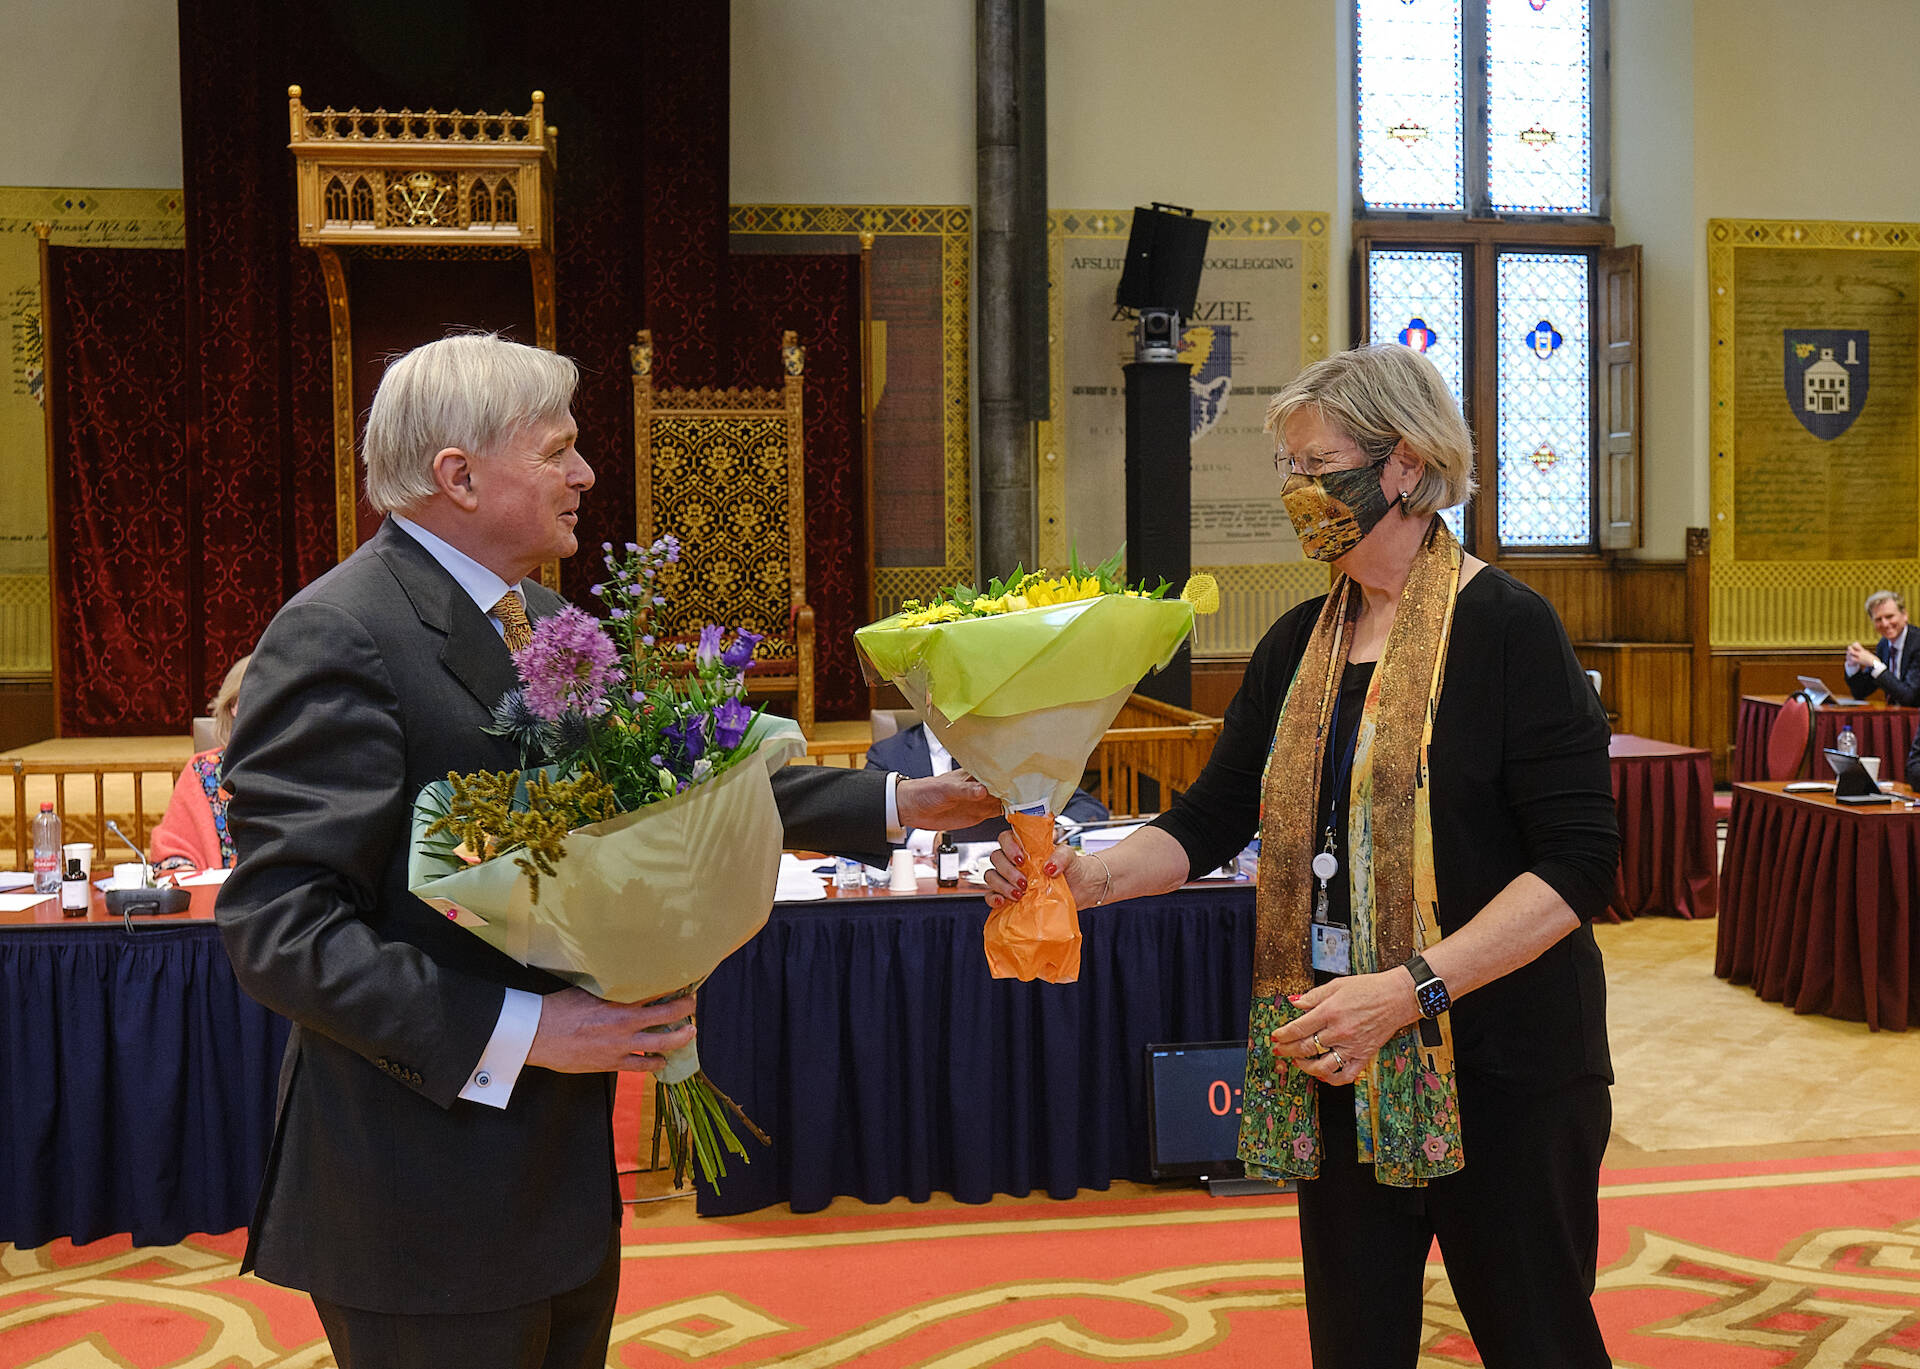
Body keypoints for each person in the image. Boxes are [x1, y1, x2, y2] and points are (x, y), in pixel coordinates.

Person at [216, 333, 994, 1369]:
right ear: (458, 475)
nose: (585, 474)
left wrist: (904, 800)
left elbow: (671, 788)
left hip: (556, 1181)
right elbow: (281, 930)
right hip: (419, 1202)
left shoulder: (539, 616)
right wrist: (528, 1029)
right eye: (559, 449)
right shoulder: (338, 632)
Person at [985, 344, 1618, 1368]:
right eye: (1287, 469)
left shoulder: (1509, 630)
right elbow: (1206, 820)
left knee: (1535, 1336)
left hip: (1504, 1065)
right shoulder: (1297, 644)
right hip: (1336, 1049)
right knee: (1356, 1344)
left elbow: (1579, 867)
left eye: (1315, 467)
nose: (1296, 493)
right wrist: (1073, 874)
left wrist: (1410, 989)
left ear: (1404, 465)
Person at [864, 720, 1110, 859]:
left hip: (1012, 880)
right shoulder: (887, 755)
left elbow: (1089, 809)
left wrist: (1051, 830)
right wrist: (933, 840)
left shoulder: (1012, 750)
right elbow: (867, 821)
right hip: (922, 889)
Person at [150, 653, 250, 872]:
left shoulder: (304, 767)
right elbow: (172, 855)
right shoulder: (204, 771)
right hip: (217, 900)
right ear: (233, 706)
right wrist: (184, 874)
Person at [1844, 590, 1919, 707]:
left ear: (1904, 615)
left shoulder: (1917, 643)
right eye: (1878, 619)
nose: (1885, 624)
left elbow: (1909, 697)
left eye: (1889, 616)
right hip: (1896, 717)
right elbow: (1861, 692)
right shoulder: (1884, 645)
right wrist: (1852, 664)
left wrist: (1875, 664)